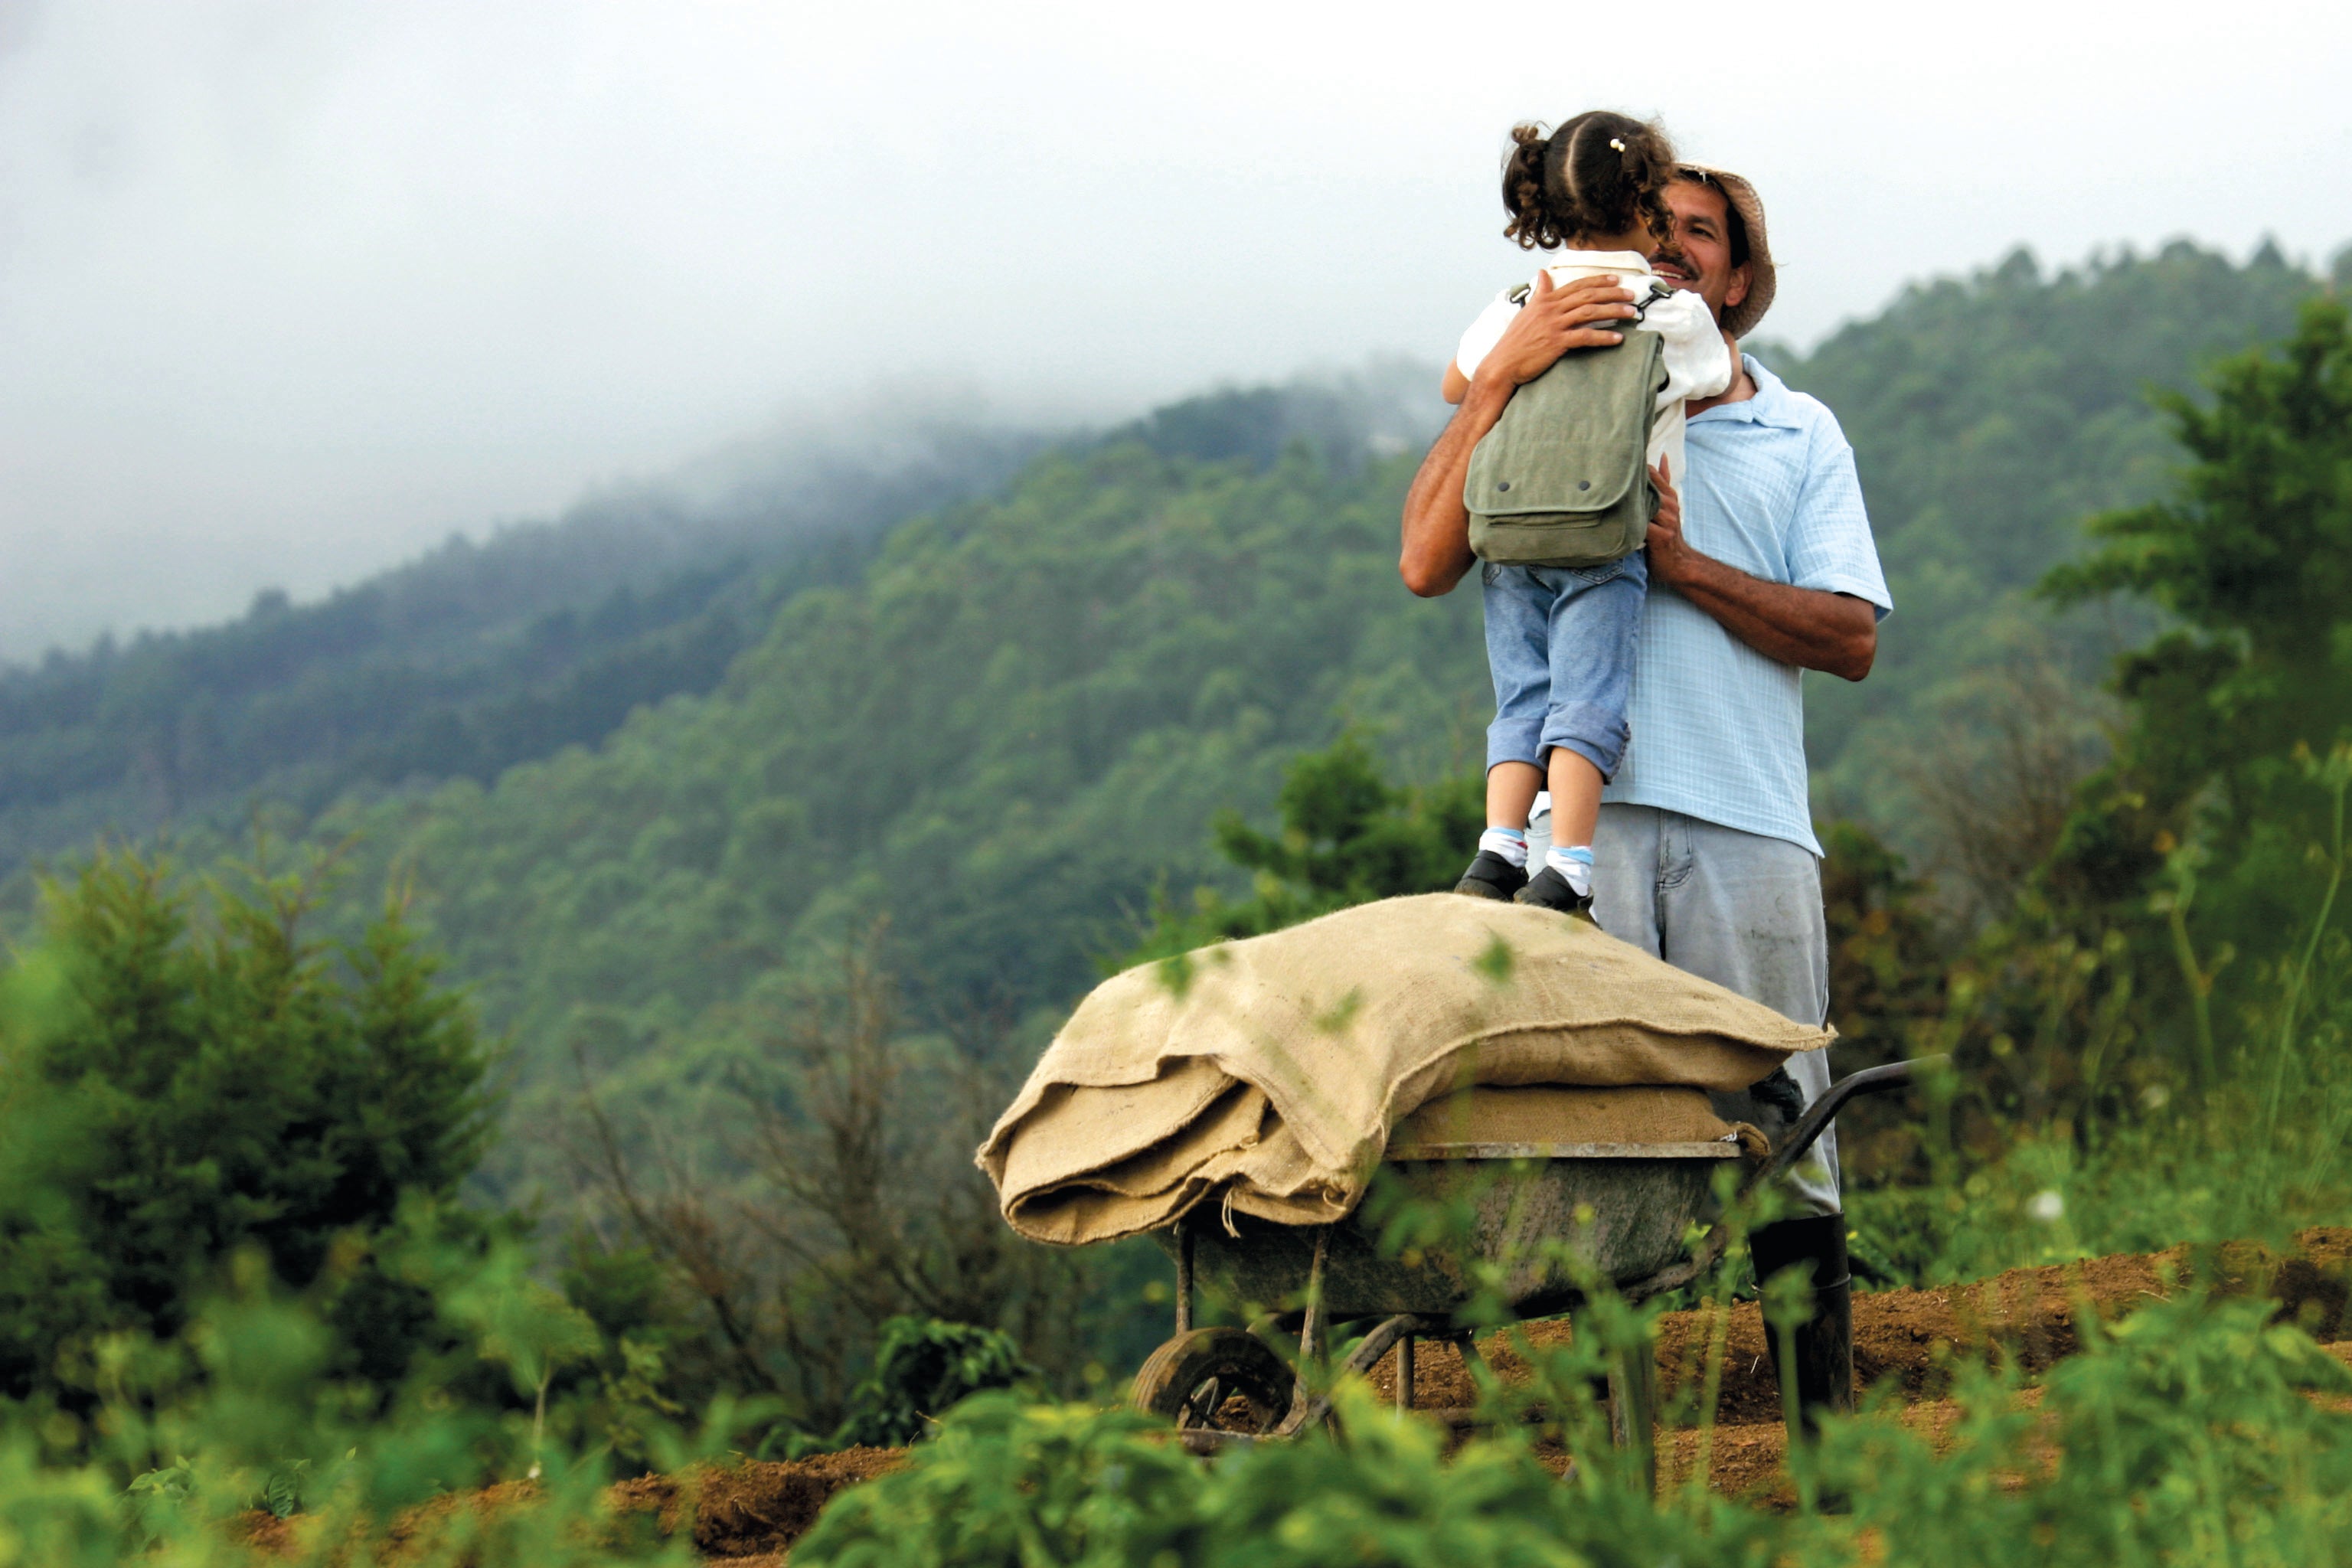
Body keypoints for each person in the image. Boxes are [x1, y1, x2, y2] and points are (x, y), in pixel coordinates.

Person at [1398, 157, 1892, 1444]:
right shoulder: (1536, 388)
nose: (1666, 251)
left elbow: (1848, 635)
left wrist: (1678, 567)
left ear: (1737, 279)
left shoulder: (1798, 429)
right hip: (1586, 841)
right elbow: (1421, 561)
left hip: (1748, 829)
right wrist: (1507, 364)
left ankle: (1821, 1462)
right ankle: (1614, 1461)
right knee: (1591, 1151)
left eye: (1695, 238)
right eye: (1648, 228)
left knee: (1787, 1136)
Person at [1445, 111, 1731, 918]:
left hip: (1505, 530)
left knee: (1522, 695)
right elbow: (1712, 378)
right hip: (1605, 531)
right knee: (1586, 698)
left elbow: (1456, 385)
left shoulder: (1511, 305)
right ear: (1648, 206)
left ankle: (1500, 843)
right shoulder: (1665, 309)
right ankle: (1567, 860)